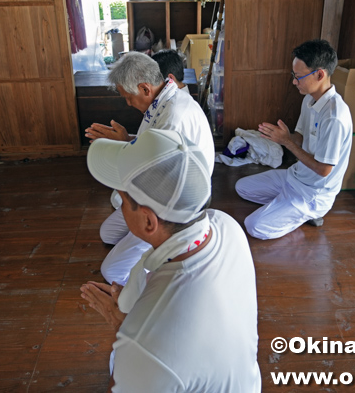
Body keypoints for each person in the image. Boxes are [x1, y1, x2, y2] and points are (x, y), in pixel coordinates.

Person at [80, 129, 261, 392]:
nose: (119, 206)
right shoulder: (225, 226)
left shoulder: (144, 346)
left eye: (122, 198)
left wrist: (125, 327)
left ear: (148, 221)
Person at [85, 52, 214, 285]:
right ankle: (147, 252)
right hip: (163, 183)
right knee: (108, 234)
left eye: (129, 97)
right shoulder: (163, 99)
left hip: (169, 207)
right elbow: (154, 145)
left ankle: (160, 270)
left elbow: (158, 175)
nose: (128, 103)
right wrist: (126, 140)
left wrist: (124, 148)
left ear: (145, 89)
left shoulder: (174, 116)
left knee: (112, 272)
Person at [235, 40, 352, 239]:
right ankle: (285, 206)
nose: (294, 82)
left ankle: (303, 213)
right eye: (294, 76)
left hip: (313, 194)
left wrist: (287, 142)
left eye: (298, 77)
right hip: (294, 177)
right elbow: (300, 138)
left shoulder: (334, 117)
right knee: (242, 188)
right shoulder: (309, 99)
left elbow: (324, 170)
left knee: (253, 226)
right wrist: (285, 137)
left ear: (320, 74)